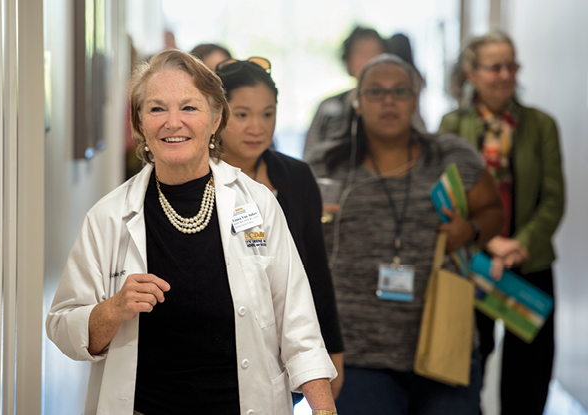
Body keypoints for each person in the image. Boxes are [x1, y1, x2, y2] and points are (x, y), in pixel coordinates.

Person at [46, 50, 338, 415]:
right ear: (139, 123)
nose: (173, 122)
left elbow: (299, 325)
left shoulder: (258, 204)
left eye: (189, 108)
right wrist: (114, 308)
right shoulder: (109, 217)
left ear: (216, 118)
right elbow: (61, 326)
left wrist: (323, 409)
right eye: (156, 109)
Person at [310, 53, 505, 414]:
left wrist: (472, 231)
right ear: (357, 101)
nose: (388, 101)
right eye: (376, 92)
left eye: (400, 91)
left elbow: (493, 211)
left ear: (416, 98)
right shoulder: (325, 165)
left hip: (442, 340)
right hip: (354, 350)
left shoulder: (452, 156)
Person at [439, 31, 565, 415]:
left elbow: (554, 197)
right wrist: (488, 242)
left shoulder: (540, 125)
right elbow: (446, 196)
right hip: (471, 261)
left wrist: (518, 244)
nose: (505, 74)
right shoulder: (451, 125)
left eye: (511, 65)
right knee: (465, 366)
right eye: (495, 67)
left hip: (528, 262)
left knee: (529, 373)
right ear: (471, 73)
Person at [214, 57, 345, 400]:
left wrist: (331, 350)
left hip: (286, 350)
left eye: (267, 114)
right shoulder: (197, 179)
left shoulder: (296, 177)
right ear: (217, 114)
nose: (257, 127)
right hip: (220, 351)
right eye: (242, 115)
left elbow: (316, 270)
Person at [303, 28, 426, 162]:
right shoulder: (327, 107)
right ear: (347, 60)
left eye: (375, 52)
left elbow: (424, 146)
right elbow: (310, 157)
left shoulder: (401, 103)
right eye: (360, 53)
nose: (368, 59)